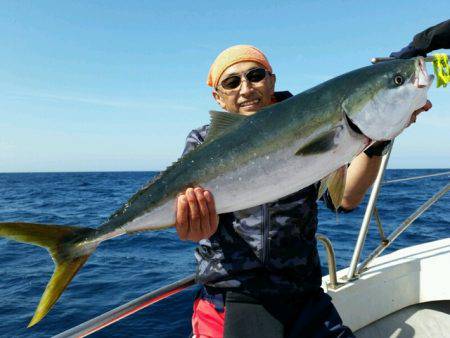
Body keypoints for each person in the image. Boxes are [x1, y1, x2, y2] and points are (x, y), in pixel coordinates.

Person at [175, 20, 446, 336]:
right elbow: (190, 222)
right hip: (231, 297)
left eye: (255, 75)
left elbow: (345, 198)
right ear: (218, 97)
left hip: (303, 292)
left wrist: (379, 139)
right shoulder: (203, 142)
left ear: (271, 80)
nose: (246, 88)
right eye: (232, 82)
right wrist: (194, 227)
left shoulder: (310, 119)